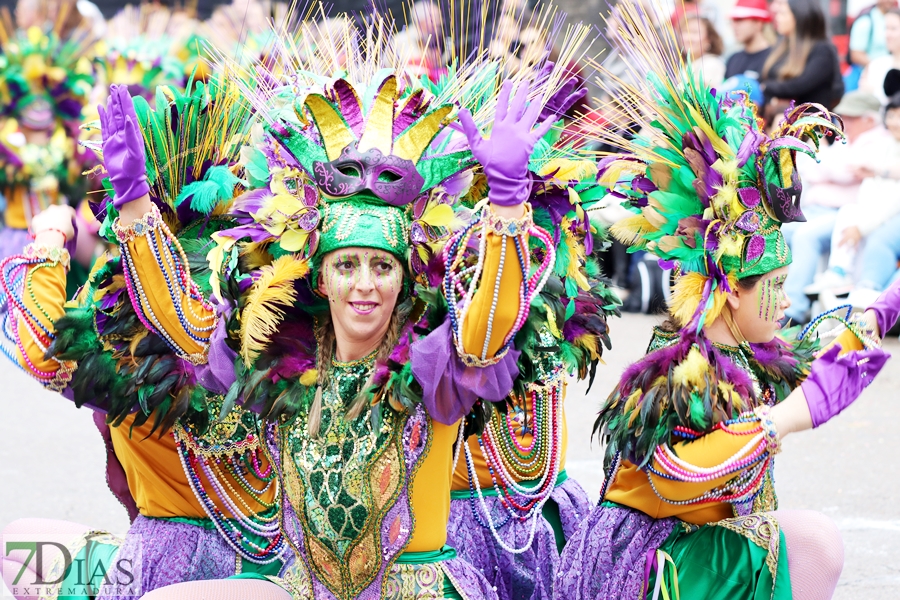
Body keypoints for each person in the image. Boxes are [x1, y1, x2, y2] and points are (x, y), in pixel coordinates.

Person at [85, 14, 610, 600]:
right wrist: (133, 209)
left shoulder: (431, 367)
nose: (366, 285)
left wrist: (509, 208)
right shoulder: (278, 362)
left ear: (406, 277)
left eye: (383, 266)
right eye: (346, 265)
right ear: (320, 276)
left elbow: (486, 331)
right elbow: (185, 329)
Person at [554, 3, 896, 599]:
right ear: (732, 290)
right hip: (647, 567)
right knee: (811, 542)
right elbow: (673, 479)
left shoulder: (748, 342)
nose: (787, 303)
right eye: (774, 287)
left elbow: (822, 350)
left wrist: (886, 306)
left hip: (696, 554)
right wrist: (783, 419)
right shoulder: (678, 363)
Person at [0, 82, 289, 600]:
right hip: (276, 560)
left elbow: (43, 349)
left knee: (23, 552)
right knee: (20, 546)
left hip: (172, 562)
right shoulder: (278, 319)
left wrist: (49, 240)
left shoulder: (125, 329)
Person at [782, 90, 890, 324]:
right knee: (780, 231)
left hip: (845, 214)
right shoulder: (850, 139)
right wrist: (822, 165)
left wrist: (821, 164)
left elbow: (837, 169)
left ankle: (794, 310)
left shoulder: (879, 141)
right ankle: (772, 304)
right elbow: (808, 167)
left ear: (868, 119)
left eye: (851, 117)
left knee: (805, 236)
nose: (843, 122)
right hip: (815, 209)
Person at [804, 91, 900, 310]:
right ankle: (841, 276)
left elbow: (893, 201)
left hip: (882, 218)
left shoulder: (877, 141)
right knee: (849, 214)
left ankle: (868, 293)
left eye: (899, 116)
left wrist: (862, 226)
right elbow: (818, 169)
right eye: (892, 115)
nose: (894, 122)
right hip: (868, 212)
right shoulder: (886, 145)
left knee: (876, 240)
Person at [760, 0, 843, 111]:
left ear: (799, 16)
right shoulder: (781, 46)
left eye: (783, 14)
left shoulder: (822, 50)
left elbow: (800, 86)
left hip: (810, 123)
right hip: (778, 121)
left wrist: (766, 87)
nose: (777, 18)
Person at [860, 8, 900, 104]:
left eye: (893, 28)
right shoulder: (877, 65)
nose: (887, 34)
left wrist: (875, 92)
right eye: (886, 28)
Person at [849, 0, 899, 73]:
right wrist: (879, 68)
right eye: (887, 28)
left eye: (893, 28)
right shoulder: (866, 21)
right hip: (869, 73)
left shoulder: (893, 16)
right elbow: (856, 54)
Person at [677, 14, 726, 86]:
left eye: (695, 32)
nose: (688, 38)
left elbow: (699, 91)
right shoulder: (684, 64)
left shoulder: (711, 63)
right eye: (685, 32)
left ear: (709, 39)